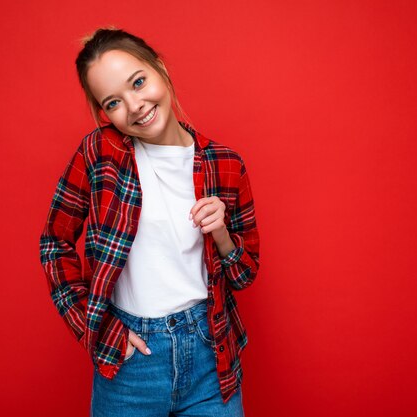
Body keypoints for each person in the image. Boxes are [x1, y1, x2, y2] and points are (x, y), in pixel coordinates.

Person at [39, 27, 260, 417]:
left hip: (210, 355)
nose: (135, 105)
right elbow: (54, 244)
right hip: (132, 364)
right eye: (113, 102)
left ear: (159, 67)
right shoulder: (99, 152)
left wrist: (222, 234)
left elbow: (245, 275)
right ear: (103, 112)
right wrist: (98, 329)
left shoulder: (225, 164)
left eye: (138, 82)